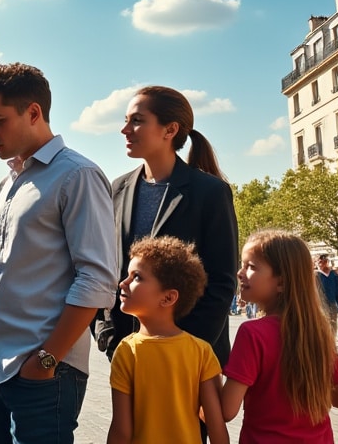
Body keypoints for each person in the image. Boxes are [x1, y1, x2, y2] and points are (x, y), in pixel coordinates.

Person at [0, 63, 117, 444]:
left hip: (44, 370)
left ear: (33, 112)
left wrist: (46, 360)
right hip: (0, 367)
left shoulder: (77, 175)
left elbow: (98, 279)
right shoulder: (9, 183)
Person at [99, 86, 239, 367]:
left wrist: (183, 348)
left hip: (189, 360)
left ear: (170, 130)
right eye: (126, 120)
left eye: (137, 120)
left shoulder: (210, 192)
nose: (125, 129)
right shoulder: (117, 189)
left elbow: (222, 281)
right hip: (129, 355)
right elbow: (105, 268)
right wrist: (107, 335)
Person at [218, 230, 338, 443]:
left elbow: (227, 410)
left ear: (281, 282)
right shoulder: (317, 332)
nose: (240, 272)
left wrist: (206, 386)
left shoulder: (253, 333)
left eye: (251, 267)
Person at [107, 236, 227, 444]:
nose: (122, 283)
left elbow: (121, 431)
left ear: (168, 298)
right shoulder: (202, 351)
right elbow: (216, 428)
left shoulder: (127, 351)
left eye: (136, 277)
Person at [315, 255, 338, 346]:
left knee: (333, 323)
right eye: (320, 261)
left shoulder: (333, 275)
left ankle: (331, 341)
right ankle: (323, 342)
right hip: (319, 304)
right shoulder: (314, 275)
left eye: (324, 261)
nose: (322, 263)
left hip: (332, 303)